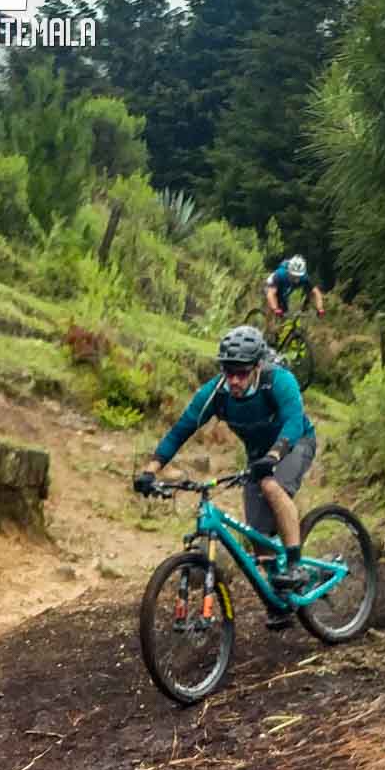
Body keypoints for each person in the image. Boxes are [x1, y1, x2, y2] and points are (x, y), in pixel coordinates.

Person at [134, 325, 317, 629]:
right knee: (258, 537)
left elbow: (294, 422)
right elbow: (181, 429)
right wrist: (150, 470)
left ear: (257, 367)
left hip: (294, 443)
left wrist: (273, 457)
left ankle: (296, 565)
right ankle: (280, 603)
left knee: (271, 486)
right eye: (228, 371)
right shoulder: (215, 394)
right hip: (258, 455)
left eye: (242, 373)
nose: (233, 380)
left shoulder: (279, 381)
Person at [265, 253, 325, 322]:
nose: (296, 279)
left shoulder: (304, 277)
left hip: (284, 289)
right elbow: (271, 294)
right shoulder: (280, 274)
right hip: (272, 285)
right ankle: (267, 327)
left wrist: (320, 308)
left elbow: (316, 293)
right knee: (272, 306)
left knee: (284, 313)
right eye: (294, 276)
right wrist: (275, 309)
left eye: (298, 276)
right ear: (289, 271)